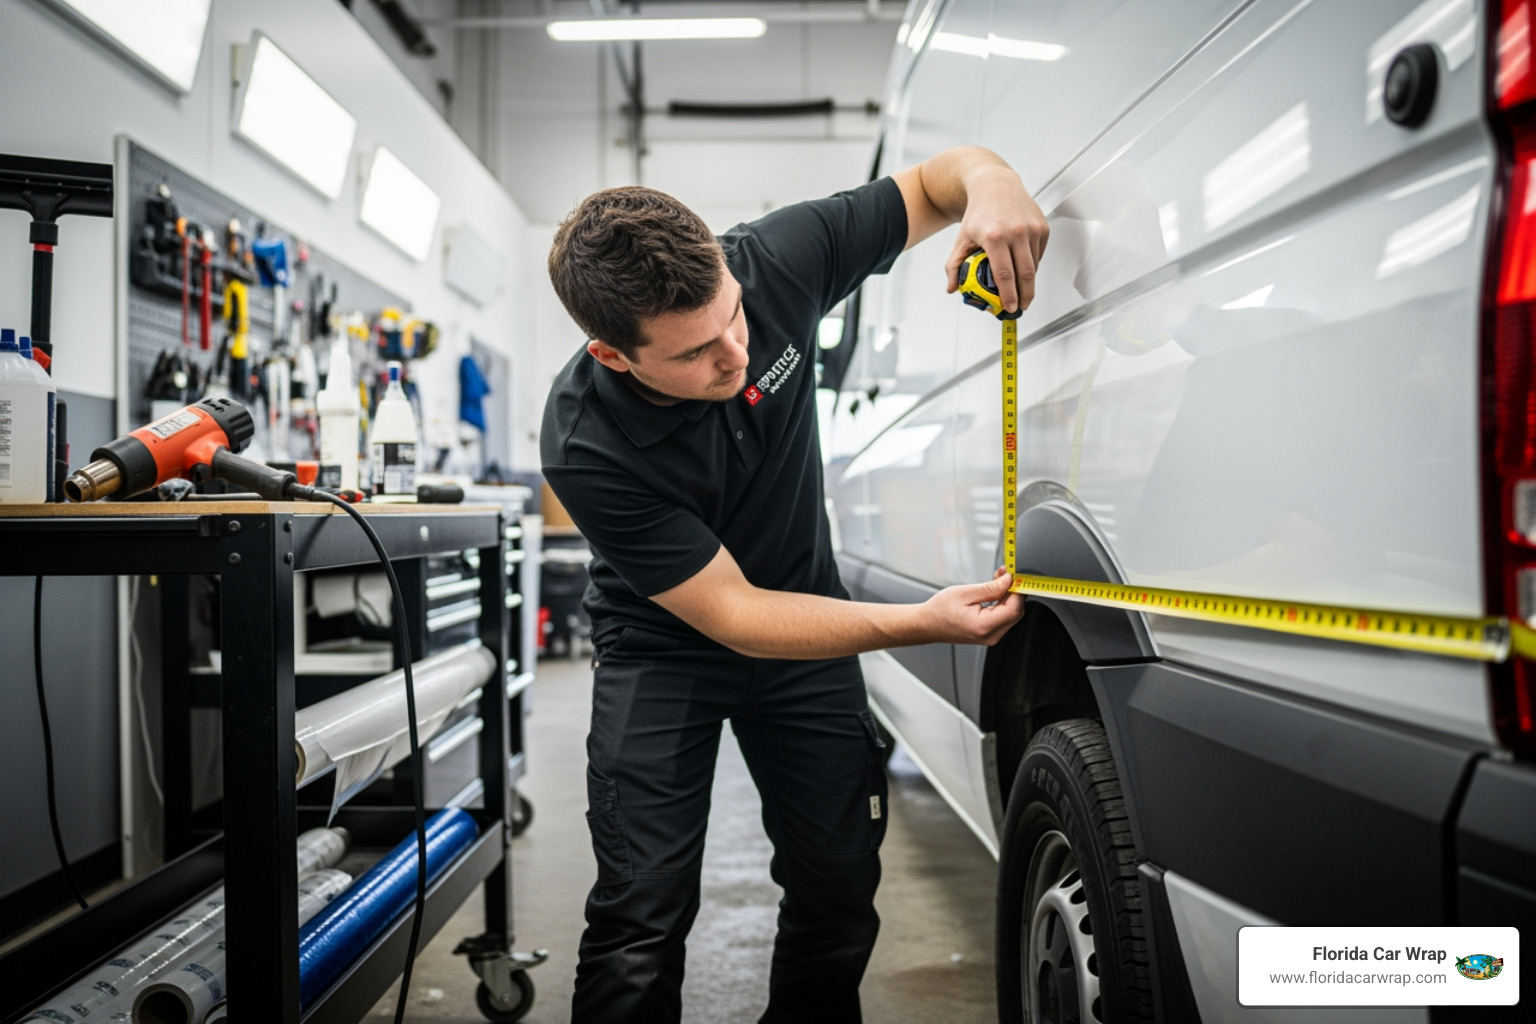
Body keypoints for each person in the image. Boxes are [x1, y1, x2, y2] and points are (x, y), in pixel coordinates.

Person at [541, 145, 1049, 1024]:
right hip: (664, 651)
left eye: (735, 320)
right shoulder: (585, 442)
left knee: (839, 891)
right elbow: (736, 614)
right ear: (615, 356)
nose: (735, 353)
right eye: (696, 352)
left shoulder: (774, 258)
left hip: (808, 641)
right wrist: (920, 622)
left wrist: (994, 188)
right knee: (640, 918)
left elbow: (938, 181)